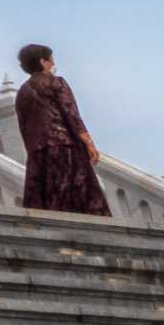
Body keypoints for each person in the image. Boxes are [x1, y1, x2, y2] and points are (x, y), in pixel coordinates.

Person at [14, 44, 112, 217]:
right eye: (50, 60)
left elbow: (24, 127)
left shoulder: (22, 93)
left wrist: (34, 152)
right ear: (42, 62)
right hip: (64, 147)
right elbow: (71, 114)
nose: (53, 64)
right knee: (75, 197)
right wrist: (89, 143)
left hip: (38, 153)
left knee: (49, 202)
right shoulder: (56, 82)